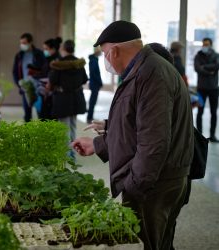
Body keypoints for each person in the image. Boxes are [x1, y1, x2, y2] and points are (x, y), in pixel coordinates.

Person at [72, 21, 194, 250]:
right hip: (155, 179)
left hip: (155, 183)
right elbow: (134, 126)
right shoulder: (143, 71)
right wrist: (98, 145)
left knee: (148, 244)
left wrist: (135, 187)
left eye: (105, 54)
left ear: (114, 51)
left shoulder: (152, 74)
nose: (106, 61)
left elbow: (154, 141)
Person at [49, 40, 87, 160]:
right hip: (76, 98)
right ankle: (72, 153)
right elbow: (85, 79)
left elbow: (53, 80)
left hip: (63, 99)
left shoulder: (58, 64)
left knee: (64, 127)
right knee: (73, 126)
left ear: (63, 49)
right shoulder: (79, 63)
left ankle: (67, 154)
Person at [12, 33, 45, 122]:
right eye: (21, 43)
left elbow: (44, 69)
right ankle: (28, 135)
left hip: (38, 87)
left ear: (30, 42)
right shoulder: (19, 55)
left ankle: (42, 134)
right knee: (27, 114)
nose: (22, 45)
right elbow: (14, 71)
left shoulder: (39, 54)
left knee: (41, 113)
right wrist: (19, 83)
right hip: (26, 87)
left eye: (24, 43)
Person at [194, 37, 219, 142]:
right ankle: (199, 135)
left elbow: (216, 66)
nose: (204, 46)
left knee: (214, 112)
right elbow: (197, 68)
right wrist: (209, 71)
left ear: (210, 45)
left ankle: (212, 135)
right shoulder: (198, 55)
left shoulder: (216, 55)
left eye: (207, 44)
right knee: (200, 112)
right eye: (203, 44)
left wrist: (204, 67)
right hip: (201, 88)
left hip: (214, 88)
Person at [38, 37, 62, 119]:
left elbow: (54, 77)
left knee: (48, 118)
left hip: (51, 94)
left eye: (46, 49)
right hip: (45, 93)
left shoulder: (56, 61)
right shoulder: (48, 59)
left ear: (53, 49)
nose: (44, 51)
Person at [87, 46, 103, 124]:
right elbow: (94, 73)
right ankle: (89, 117)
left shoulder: (94, 59)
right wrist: (99, 82)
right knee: (93, 101)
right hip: (94, 84)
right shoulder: (93, 60)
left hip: (94, 83)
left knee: (93, 100)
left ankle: (90, 116)